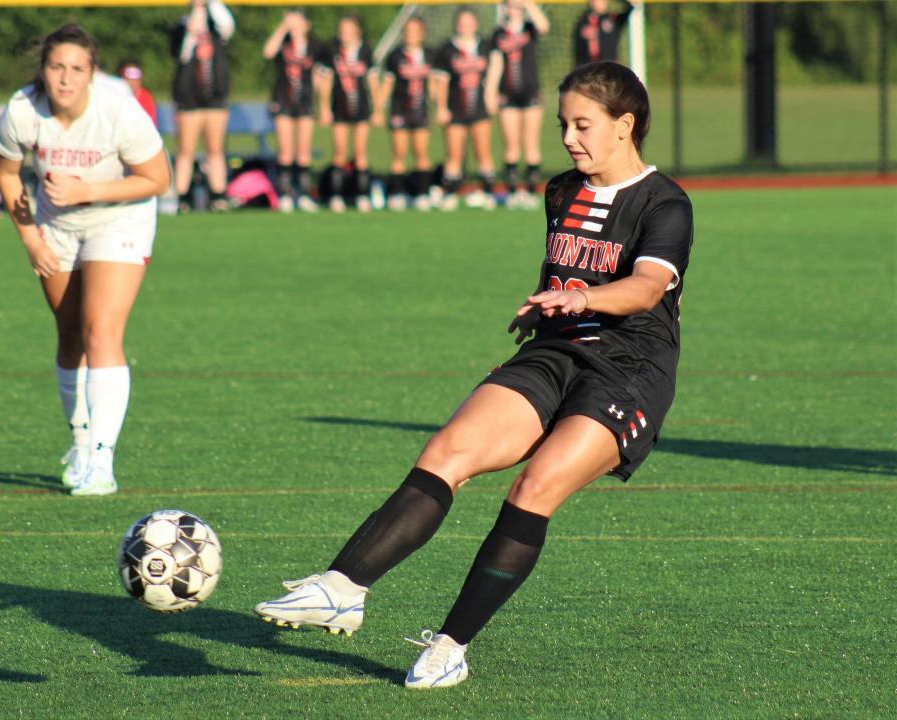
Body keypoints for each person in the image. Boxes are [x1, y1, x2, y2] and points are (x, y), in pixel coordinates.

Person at [254, 61, 694, 688]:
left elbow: (646, 288)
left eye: (583, 124)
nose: (569, 137)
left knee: (533, 489)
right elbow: (563, 274)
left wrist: (582, 300)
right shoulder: (562, 191)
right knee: (447, 451)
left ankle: (449, 648)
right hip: (554, 351)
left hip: (630, 369)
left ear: (625, 126)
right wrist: (542, 311)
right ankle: (341, 587)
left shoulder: (665, 202)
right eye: (563, 123)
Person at [0, 24, 170, 496]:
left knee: (101, 331)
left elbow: (158, 178)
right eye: (56, 67)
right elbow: (7, 173)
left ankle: (103, 463)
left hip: (120, 221)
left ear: (92, 73)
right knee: (70, 337)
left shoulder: (118, 110)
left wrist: (88, 190)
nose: (65, 79)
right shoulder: (23, 110)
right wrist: (31, 241)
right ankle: (81, 442)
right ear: (43, 70)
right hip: (57, 228)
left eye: (76, 69)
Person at [170, 0, 235, 212]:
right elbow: (181, 54)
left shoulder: (216, 26)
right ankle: (182, 197)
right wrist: (192, 27)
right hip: (189, 99)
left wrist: (208, 4)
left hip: (214, 99)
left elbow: (228, 24)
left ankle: (218, 196)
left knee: (215, 149)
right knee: (186, 150)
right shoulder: (181, 27)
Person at [434, 6, 501, 211]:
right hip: (456, 108)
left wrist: (492, 94)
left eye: (469, 22)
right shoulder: (448, 49)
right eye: (462, 23)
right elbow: (442, 82)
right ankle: (451, 193)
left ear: (476, 24)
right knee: (454, 154)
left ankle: (488, 193)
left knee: (483, 152)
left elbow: (496, 68)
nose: (465, 26)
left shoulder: (485, 46)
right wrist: (442, 107)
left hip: (479, 108)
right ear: (457, 24)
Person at [490, 0, 549, 209]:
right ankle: (513, 191)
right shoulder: (498, 34)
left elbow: (544, 26)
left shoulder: (529, 28)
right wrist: (491, 93)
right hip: (508, 95)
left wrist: (528, 5)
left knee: (531, 143)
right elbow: (496, 65)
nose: (513, 7)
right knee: (511, 145)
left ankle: (532, 192)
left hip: (530, 92)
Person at [317, 14, 379, 213]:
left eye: (348, 29)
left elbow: (372, 82)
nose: (344, 34)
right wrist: (324, 107)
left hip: (361, 108)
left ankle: (362, 196)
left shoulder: (366, 51)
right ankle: (336, 196)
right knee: (340, 153)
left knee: (360, 153)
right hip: (339, 107)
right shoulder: (333, 51)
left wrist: (377, 108)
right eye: (342, 30)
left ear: (357, 31)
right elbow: (326, 82)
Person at [263, 9, 322, 213]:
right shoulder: (283, 44)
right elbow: (268, 52)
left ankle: (304, 194)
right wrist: (283, 28)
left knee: (303, 150)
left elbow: (318, 76)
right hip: (283, 100)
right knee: (286, 151)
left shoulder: (314, 45)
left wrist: (320, 103)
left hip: (304, 102)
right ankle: (286, 194)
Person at [375, 15, 434, 212]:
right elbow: (388, 83)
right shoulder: (396, 56)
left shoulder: (429, 55)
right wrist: (378, 108)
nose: (411, 36)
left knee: (421, 152)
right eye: (408, 32)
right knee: (399, 153)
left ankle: (423, 193)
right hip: (400, 109)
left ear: (422, 34)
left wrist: (440, 105)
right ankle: (397, 193)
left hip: (420, 109)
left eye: (415, 32)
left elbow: (434, 84)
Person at [574, 0, 634, 66]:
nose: (602, 3)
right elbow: (578, 48)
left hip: (609, 66)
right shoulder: (583, 21)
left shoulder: (613, 19)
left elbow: (630, 7)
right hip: (588, 67)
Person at [117, 58, 158, 126]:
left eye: (136, 76)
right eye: (128, 76)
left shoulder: (146, 97)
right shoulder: (114, 97)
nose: (132, 81)